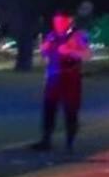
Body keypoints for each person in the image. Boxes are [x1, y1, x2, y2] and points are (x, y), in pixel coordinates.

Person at [31, 10, 92, 152]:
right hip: (53, 77)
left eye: (60, 21)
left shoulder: (77, 36)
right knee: (49, 109)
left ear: (68, 21)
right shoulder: (52, 36)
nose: (57, 24)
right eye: (55, 22)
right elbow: (44, 53)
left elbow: (87, 55)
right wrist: (44, 49)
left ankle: (70, 143)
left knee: (70, 110)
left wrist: (70, 51)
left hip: (70, 78)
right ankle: (46, 140)